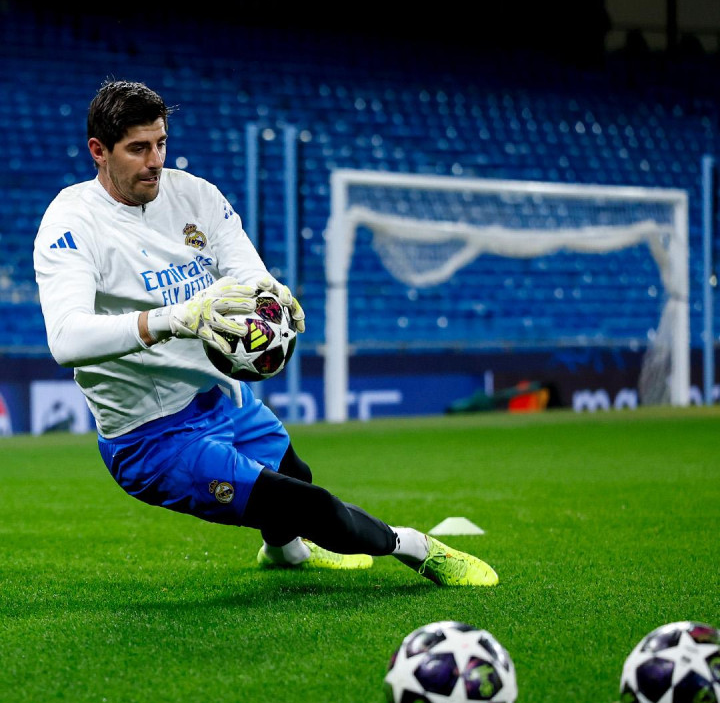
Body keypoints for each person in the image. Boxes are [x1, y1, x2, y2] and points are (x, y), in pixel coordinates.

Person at [33, 80, 499, 588]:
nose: (155, 161)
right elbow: (67, 339)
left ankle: (283, 553)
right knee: (310, 506)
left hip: (219, 396)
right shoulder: (71, 224)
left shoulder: (194, 195)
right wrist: (172, 318)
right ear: (99, 151)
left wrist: (272, 293)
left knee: (296, 475)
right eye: (138, 148)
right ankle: (417, 546)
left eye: (161, 143)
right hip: (153, 436)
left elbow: (246, 269)